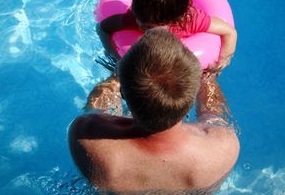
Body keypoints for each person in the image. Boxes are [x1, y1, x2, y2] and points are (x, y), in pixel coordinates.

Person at [69, 29, 240, 194]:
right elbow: (213, 112)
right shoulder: (223, 149)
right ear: (190, 100)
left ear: (123, 93)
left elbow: (99, 111)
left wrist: (118, 74)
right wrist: (208, 76)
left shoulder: (88, 138)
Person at [88, 0, 237, 116]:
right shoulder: (135, 16)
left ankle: (211, 121)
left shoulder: (190, 20)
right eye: (143, 24)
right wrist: (116, 57)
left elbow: (229, 32)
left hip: (180, 67)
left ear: (176, 19)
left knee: (207, 81)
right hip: (142, 64)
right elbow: (102, 29)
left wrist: (223, 60)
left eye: (149, 26)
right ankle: (100, 118)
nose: (143, 27)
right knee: (116, 77)